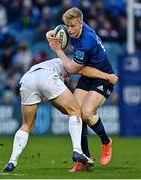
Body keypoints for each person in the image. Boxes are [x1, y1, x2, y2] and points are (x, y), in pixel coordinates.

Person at [3, 57, 117, 172]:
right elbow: (83, 70)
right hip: (46, 78)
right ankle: (78, 150)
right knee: (76, 110)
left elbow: (63, 109)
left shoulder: (48, 64)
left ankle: (12, 161)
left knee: (26, 125)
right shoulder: (67, 63)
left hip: (27, 79)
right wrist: (108, 76)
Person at [46, 7, 118, 172]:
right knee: (75, 112)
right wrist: (51, 35)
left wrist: (57, 50)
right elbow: (51, 33)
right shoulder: (69, 30)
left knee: (86, 113)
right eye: (67, 26)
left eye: (72, 26)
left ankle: (106, 142)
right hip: (87, 77)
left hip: (103, 77)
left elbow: (72, 69)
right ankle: (83, 158)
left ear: (81, 23)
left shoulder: (87, 41)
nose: (69, 30)